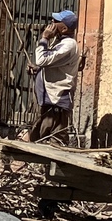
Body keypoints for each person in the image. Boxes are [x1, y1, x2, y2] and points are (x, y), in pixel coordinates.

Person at [26, 9, 79, 143]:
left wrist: (44, 38)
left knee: (55, 142)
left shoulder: (68, 45)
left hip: (56, 102)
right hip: (49, 100)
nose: (52, 23)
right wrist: (38, 69)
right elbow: (52, 64)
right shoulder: (60, 42)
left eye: (56, 21)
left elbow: (42, 59)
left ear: (64, 28)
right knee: (38, 138)